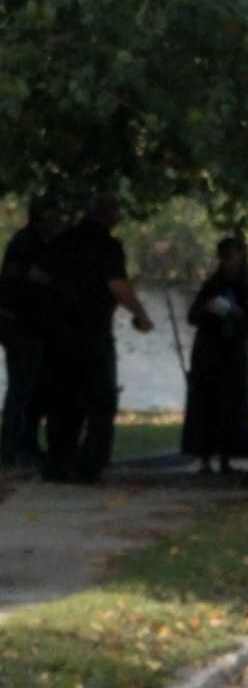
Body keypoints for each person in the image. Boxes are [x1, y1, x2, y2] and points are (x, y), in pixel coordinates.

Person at [44, 194, 154, 483]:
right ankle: (89, 464)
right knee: (100, 402)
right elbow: (117, 286)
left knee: (63, 400)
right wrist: (141, 316)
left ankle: (58, 463)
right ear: (109, 216)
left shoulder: (60, 242)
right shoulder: (107, 246)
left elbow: (39, 279)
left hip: (56, 334)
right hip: (92, 334)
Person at [181, 237, 248, 473]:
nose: (229, 262)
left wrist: (238, 315)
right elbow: (193, 316)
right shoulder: (211, 285)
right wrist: (209, 309)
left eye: (233, 257)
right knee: (206, 405)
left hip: (234, 353)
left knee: (232, 405)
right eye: (225, 257)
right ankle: (205, 457)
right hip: (209, 353)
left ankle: (228, 457)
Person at [0, 196, 59, 468]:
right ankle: (13, 448)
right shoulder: (28, 243)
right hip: (21, 326)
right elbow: (24, 278)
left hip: (27, 325)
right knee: (22, 388)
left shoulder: (32, 242)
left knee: (31, 388)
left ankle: (25, 445)